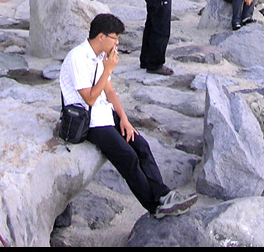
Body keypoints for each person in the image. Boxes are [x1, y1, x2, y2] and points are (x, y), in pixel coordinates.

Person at [59, 14, 197, 218]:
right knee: (128, 158)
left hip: (104, 113)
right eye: (114, 38)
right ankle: (154, 207)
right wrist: (107, 70)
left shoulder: (100, 57)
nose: (117, 43)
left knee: (141, 145)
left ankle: (163, 195)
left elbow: (110, 92)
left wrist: (124, 118)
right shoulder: (78, 58)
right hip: (88, 121)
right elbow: (89, 98)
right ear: (101, 37)